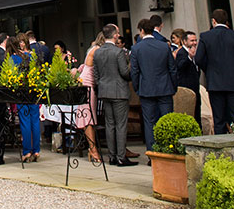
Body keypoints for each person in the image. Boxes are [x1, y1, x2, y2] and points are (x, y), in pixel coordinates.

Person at [195, 9, 234, 134]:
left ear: (213, 21)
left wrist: (209, 70)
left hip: (216, 83)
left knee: (219, 120)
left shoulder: (205, 36)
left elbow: (198, 59)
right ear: (226, 21)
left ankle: (221, 144)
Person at [130, 19, 178, 158]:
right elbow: (172, 68)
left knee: (149, 123)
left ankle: (153, 154)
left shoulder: (137, 48)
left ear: (142, 31)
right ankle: (169, 150)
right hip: (165, 88)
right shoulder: (164, 46)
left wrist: (137, 88)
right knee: (167, 120)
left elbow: (135, 72)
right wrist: (173, 86)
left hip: (147, 89)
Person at [93, 24, 135, 166]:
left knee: (109, 124)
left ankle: (112, 156)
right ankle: (121, 157)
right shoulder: (118, 52)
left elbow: (96, 74)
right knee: (120, 125)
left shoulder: (97, 52)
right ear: (115, 35)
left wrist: (101, 84)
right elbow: (124, 72)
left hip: (105, 91)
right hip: (119, 91)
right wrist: (131, 68)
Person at [75, 32, 105, 162]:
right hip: (88, 85)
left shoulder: (94, 49)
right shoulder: (97, 50)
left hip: (87, 83)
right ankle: (92, 150)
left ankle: (92, 148)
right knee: (87, 118)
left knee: (89, 117)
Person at [10, 34, 41, 162]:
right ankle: (36, 150)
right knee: (35, 120)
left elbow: (11, 73)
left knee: (25, 121)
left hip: (22, 92)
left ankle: (27, 151)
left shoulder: (14, 57)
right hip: (33, 90)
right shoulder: (33, 56)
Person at [174, 31, 202, 128]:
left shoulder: (196, 52)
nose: (194, 43)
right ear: (184, 41)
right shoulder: (181, 53)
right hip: (187, 88)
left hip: (195, 87)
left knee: (197, 113)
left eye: (195, 40)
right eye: (192, 41)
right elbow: (180, 66)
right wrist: (189, 57)